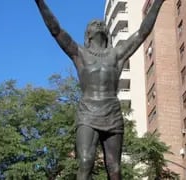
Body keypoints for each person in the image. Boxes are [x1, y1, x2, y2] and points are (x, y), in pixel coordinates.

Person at [35, 0, 165, 179]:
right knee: (86, 161)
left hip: (112, 112)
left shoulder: (117, 54)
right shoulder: (79, 53)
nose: (98, 24)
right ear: (87, 34)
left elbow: (142, 32)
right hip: (88, 112)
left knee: (115, 168)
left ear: (106, 32)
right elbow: (55, 30)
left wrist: (158, 2)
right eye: (93, 24)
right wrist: (39, 2)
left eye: (100, 23)